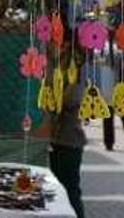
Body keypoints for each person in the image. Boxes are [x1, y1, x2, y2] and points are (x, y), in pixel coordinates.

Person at [49, 48, 87, 218]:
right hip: (53, 137)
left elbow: (73, 99)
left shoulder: (76, 62)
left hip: (68, 138)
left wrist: (50, 100)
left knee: (70, 191)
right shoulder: (56, 59)